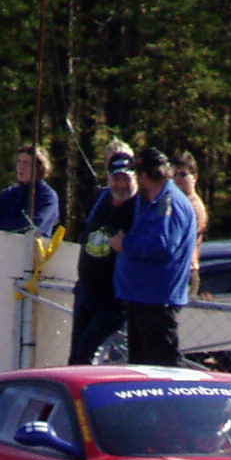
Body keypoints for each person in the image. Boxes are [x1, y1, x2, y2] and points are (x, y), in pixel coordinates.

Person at [112, 147, 198, 366]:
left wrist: (125, 244)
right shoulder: (148, 201)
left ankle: (175, 401)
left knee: (164, 367)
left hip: (157, 300)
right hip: (140, 297)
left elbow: (162, 244)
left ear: (144, 175)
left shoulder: (169, 202)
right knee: (141, 368)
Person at [68, 146, 139, 364]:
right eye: (115, 179)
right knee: (75, 358)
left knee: (87, 355)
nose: (120, 185)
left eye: (125, 179)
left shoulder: (138, 207)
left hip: (113, 299)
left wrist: (126, 244)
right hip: (87, 291)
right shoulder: (100, 197)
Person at [0, 144, 60, 237]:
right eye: (19, 162)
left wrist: (6, 223)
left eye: (26, 163)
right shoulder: (8, 194)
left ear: (38, 167)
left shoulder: (47, 197)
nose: (20, 167)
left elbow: (33, 225)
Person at [172, 151, 209, 298]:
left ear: (195, 177)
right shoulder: (175, 202)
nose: (178, 179)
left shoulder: (195, 207)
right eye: (174, 174)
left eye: (183, 174)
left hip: (187, 270)